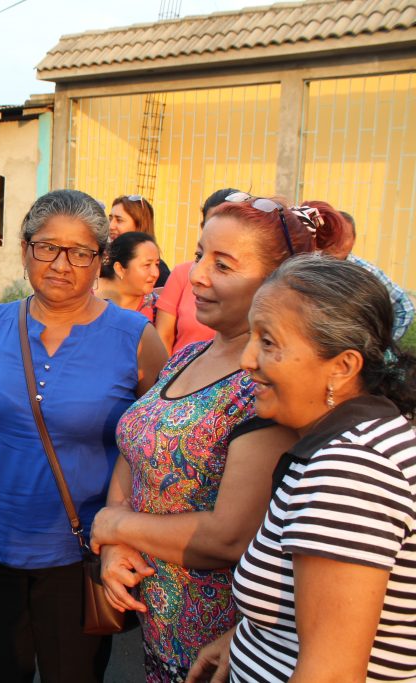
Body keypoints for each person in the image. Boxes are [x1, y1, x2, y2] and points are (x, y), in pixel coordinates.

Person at [0, 189, 168, 683]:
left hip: (80, 555)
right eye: (47, 246)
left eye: (80, 252)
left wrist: (131, 536)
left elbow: (153, 451)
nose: (61, 264)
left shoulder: (136, 339)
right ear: (26, 249)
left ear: (100, 260)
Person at [90, 194, 340, 682]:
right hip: (157, 624)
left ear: (278, 281)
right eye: (200, 253)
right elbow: (136, 445)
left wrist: (113, 525)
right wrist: (117, 543)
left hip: (219, 643)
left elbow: (230, 536)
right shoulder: (189, 355)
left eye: (222, 264)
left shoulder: (271, 383)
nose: (196, 274)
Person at [188, 256, 416, 683]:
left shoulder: (349, 473)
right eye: (252, 337)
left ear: (343, 367)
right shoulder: (362, 439)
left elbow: (330, 673)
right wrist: (247, 639)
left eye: (269, 342)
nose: (247, 360)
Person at [153, 189, 235, 354]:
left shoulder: (251, 282)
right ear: (203, 226)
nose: (198, 278)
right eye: (214, 222)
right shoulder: (183, 274)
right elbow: (163, 336)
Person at [316, 204, 414, 341]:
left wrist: (385, 346)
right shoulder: (306, 268)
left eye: (344, 237)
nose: (337, 243)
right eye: (333, 237)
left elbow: (405, 308)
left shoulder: (367, 272)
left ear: (354, 240)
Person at [97, 231, 162, 323]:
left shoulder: (157, 308)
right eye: (147, 265)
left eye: (157, 264)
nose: (155, 273)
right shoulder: (84, 295)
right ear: (119, 268)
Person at [109, 195, 170, 286]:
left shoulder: (160, 273)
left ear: (139, 225)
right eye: (110, 219)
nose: (111, 226)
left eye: (119, 220)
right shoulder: (103, 260)